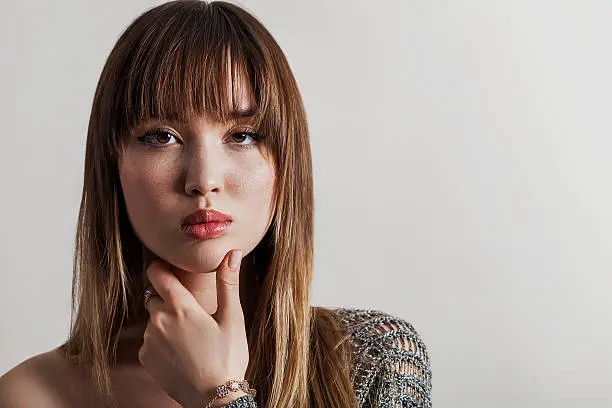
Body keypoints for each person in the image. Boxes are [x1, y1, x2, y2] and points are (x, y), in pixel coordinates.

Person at [0, 1, 432, 407]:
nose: (203, 179)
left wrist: (217, 393)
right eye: (161, 136)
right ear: (112, 164)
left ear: (286, 161)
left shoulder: (372, 360)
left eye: (242, 135)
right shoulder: (34, 395)